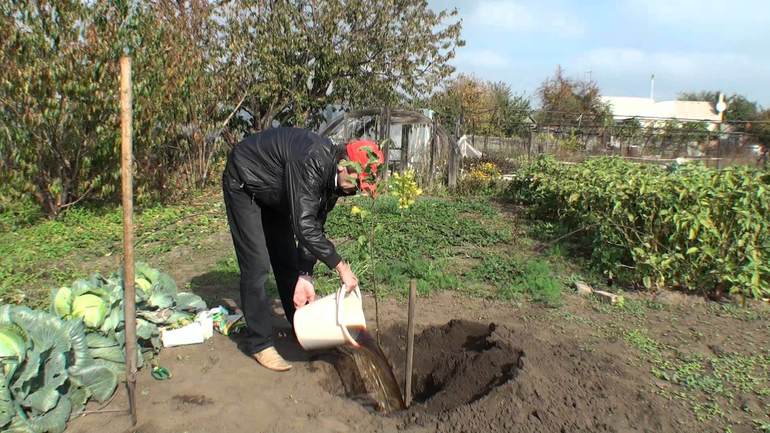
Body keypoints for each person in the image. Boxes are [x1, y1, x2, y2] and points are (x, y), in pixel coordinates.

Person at [222, 127, 384, 371]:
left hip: (274, 191)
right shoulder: (313, 160)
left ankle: (299, 325)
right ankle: (260, 344)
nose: (357, 190)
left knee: (288, 260)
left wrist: (306, 274)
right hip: (245, 181)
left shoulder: (336, 183)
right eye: (358, 183)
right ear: (343, 165)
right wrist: (341, 267)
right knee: (256, 264)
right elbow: (304, 226)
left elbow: (315, 225)